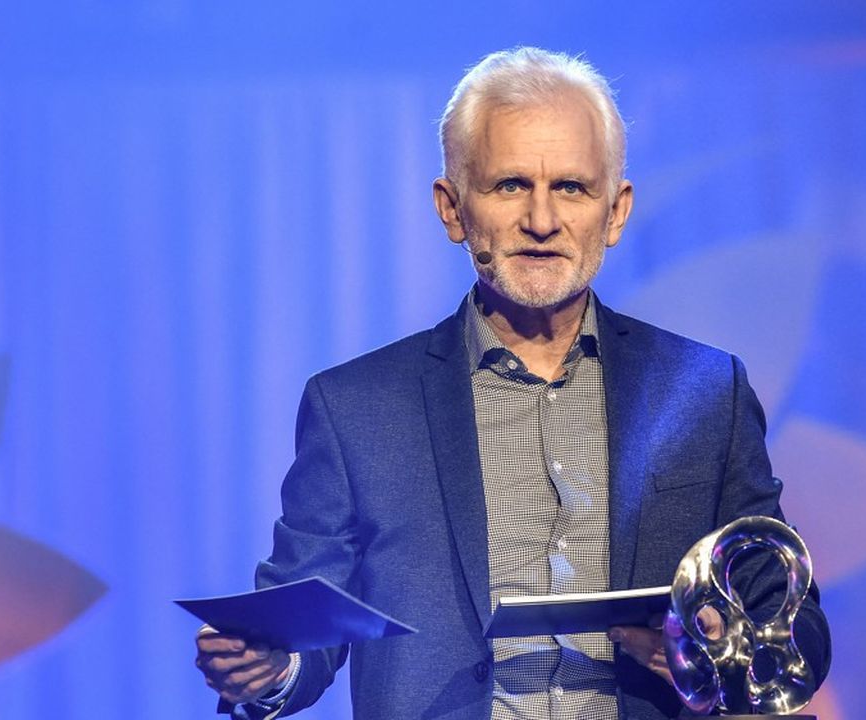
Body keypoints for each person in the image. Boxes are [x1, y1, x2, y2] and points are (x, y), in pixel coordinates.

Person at [195, 46, 831, 719]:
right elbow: (300, 631)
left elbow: (791, 618)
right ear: (452, 208)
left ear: (616, 212)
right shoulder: (357, 408)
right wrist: (266, 668)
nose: (542, 220)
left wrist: (729, 648)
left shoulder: (704, 391)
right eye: (509, 185)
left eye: (572, 188)